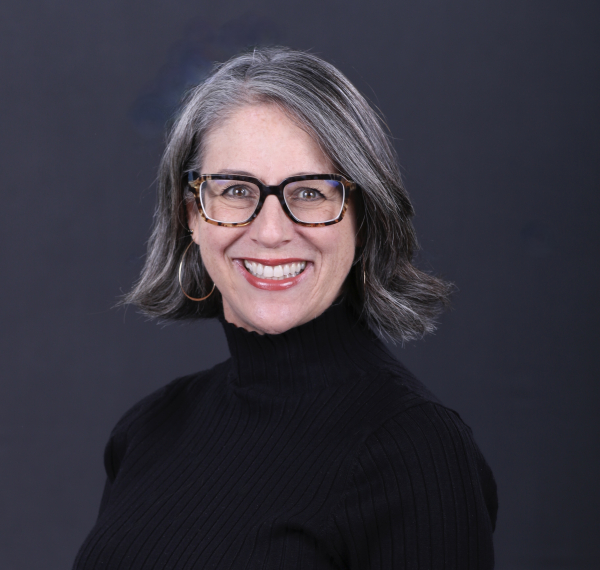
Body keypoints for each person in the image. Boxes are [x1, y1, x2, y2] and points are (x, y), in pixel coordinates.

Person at [73, 47, 497, 569]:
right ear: (193, 216)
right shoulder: (149, 429)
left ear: (363, 216)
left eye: (312, 193)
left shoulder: (416, 450)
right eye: (234, 190)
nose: (271, 231)